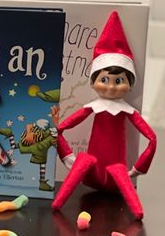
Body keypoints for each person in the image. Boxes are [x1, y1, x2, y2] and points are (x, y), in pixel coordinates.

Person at [52, 11, 157, 220]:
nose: (110, 87)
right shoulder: (93, 107)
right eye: (105, 80)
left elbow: (152, 138)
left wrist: (135, 170)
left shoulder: (128, 111)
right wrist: (69, 159)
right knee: (83, 162)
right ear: (93, 82)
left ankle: (136, 212)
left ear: (129, 84)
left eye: (118, 81)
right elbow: (62, 128)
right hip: (91, 165)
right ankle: (57, 203)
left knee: (132, 202)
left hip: (117, 169)